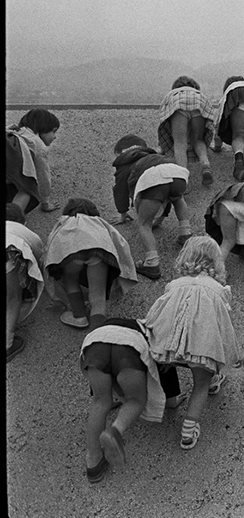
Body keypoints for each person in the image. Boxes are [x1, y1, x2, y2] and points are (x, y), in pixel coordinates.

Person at [144, 236, 243, 450]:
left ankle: (169, 399)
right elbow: (222, 325)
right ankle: (188, 431)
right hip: (202, 347)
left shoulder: (174, 285)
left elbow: (158, 312)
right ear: (216, 261)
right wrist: (233, 352)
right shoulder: (218, 290)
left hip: (170, 345)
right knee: (201, 383)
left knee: (179, 363)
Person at [79, 317, 168, 482]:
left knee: (100, 402)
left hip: (95, 343)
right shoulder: (146, 330)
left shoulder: (106, 326)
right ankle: (115, 430)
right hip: (129, 347)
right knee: (136, 400)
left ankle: (93, 462)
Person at [43, 198, 138, 330]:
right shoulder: (99, 222)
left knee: (70, 279)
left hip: (70, 253)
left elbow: (52, 243)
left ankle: (79, 316)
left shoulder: (64, 221)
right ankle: (97, 332)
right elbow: (119, 241)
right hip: (98, 252)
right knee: (98, 294)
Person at [111, 134, 192, 280]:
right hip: (176, 171)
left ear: (120, 153)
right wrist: (160, 218)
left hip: (152, 179)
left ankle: (151, 263)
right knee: (177, 197)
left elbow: (120, 190)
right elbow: (164, 194)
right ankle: (185, 233)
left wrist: (123, 212)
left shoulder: (124, 162)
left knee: (143, 224)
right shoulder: (155, 156)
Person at [157, 76, 217, 187]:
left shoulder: (174, 93)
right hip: (199, 102)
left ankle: (183, 179)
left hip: (178, 103)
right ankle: (205, 164)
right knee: (198, 139)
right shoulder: (197, 92)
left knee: (180, 143)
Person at [6, 203, 44, 362]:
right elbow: (37, 250)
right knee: (13, 298)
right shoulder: (21, 230)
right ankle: (7, 344)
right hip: (9, 252)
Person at [6, 108, 61, 213]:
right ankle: (13, 220)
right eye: (53, 131)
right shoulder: (37, 144)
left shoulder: (15, 131)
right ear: (43, 128)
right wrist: (45, 201)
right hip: (12, 158)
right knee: (28, 188)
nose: (55, 137)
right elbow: (43, 175)